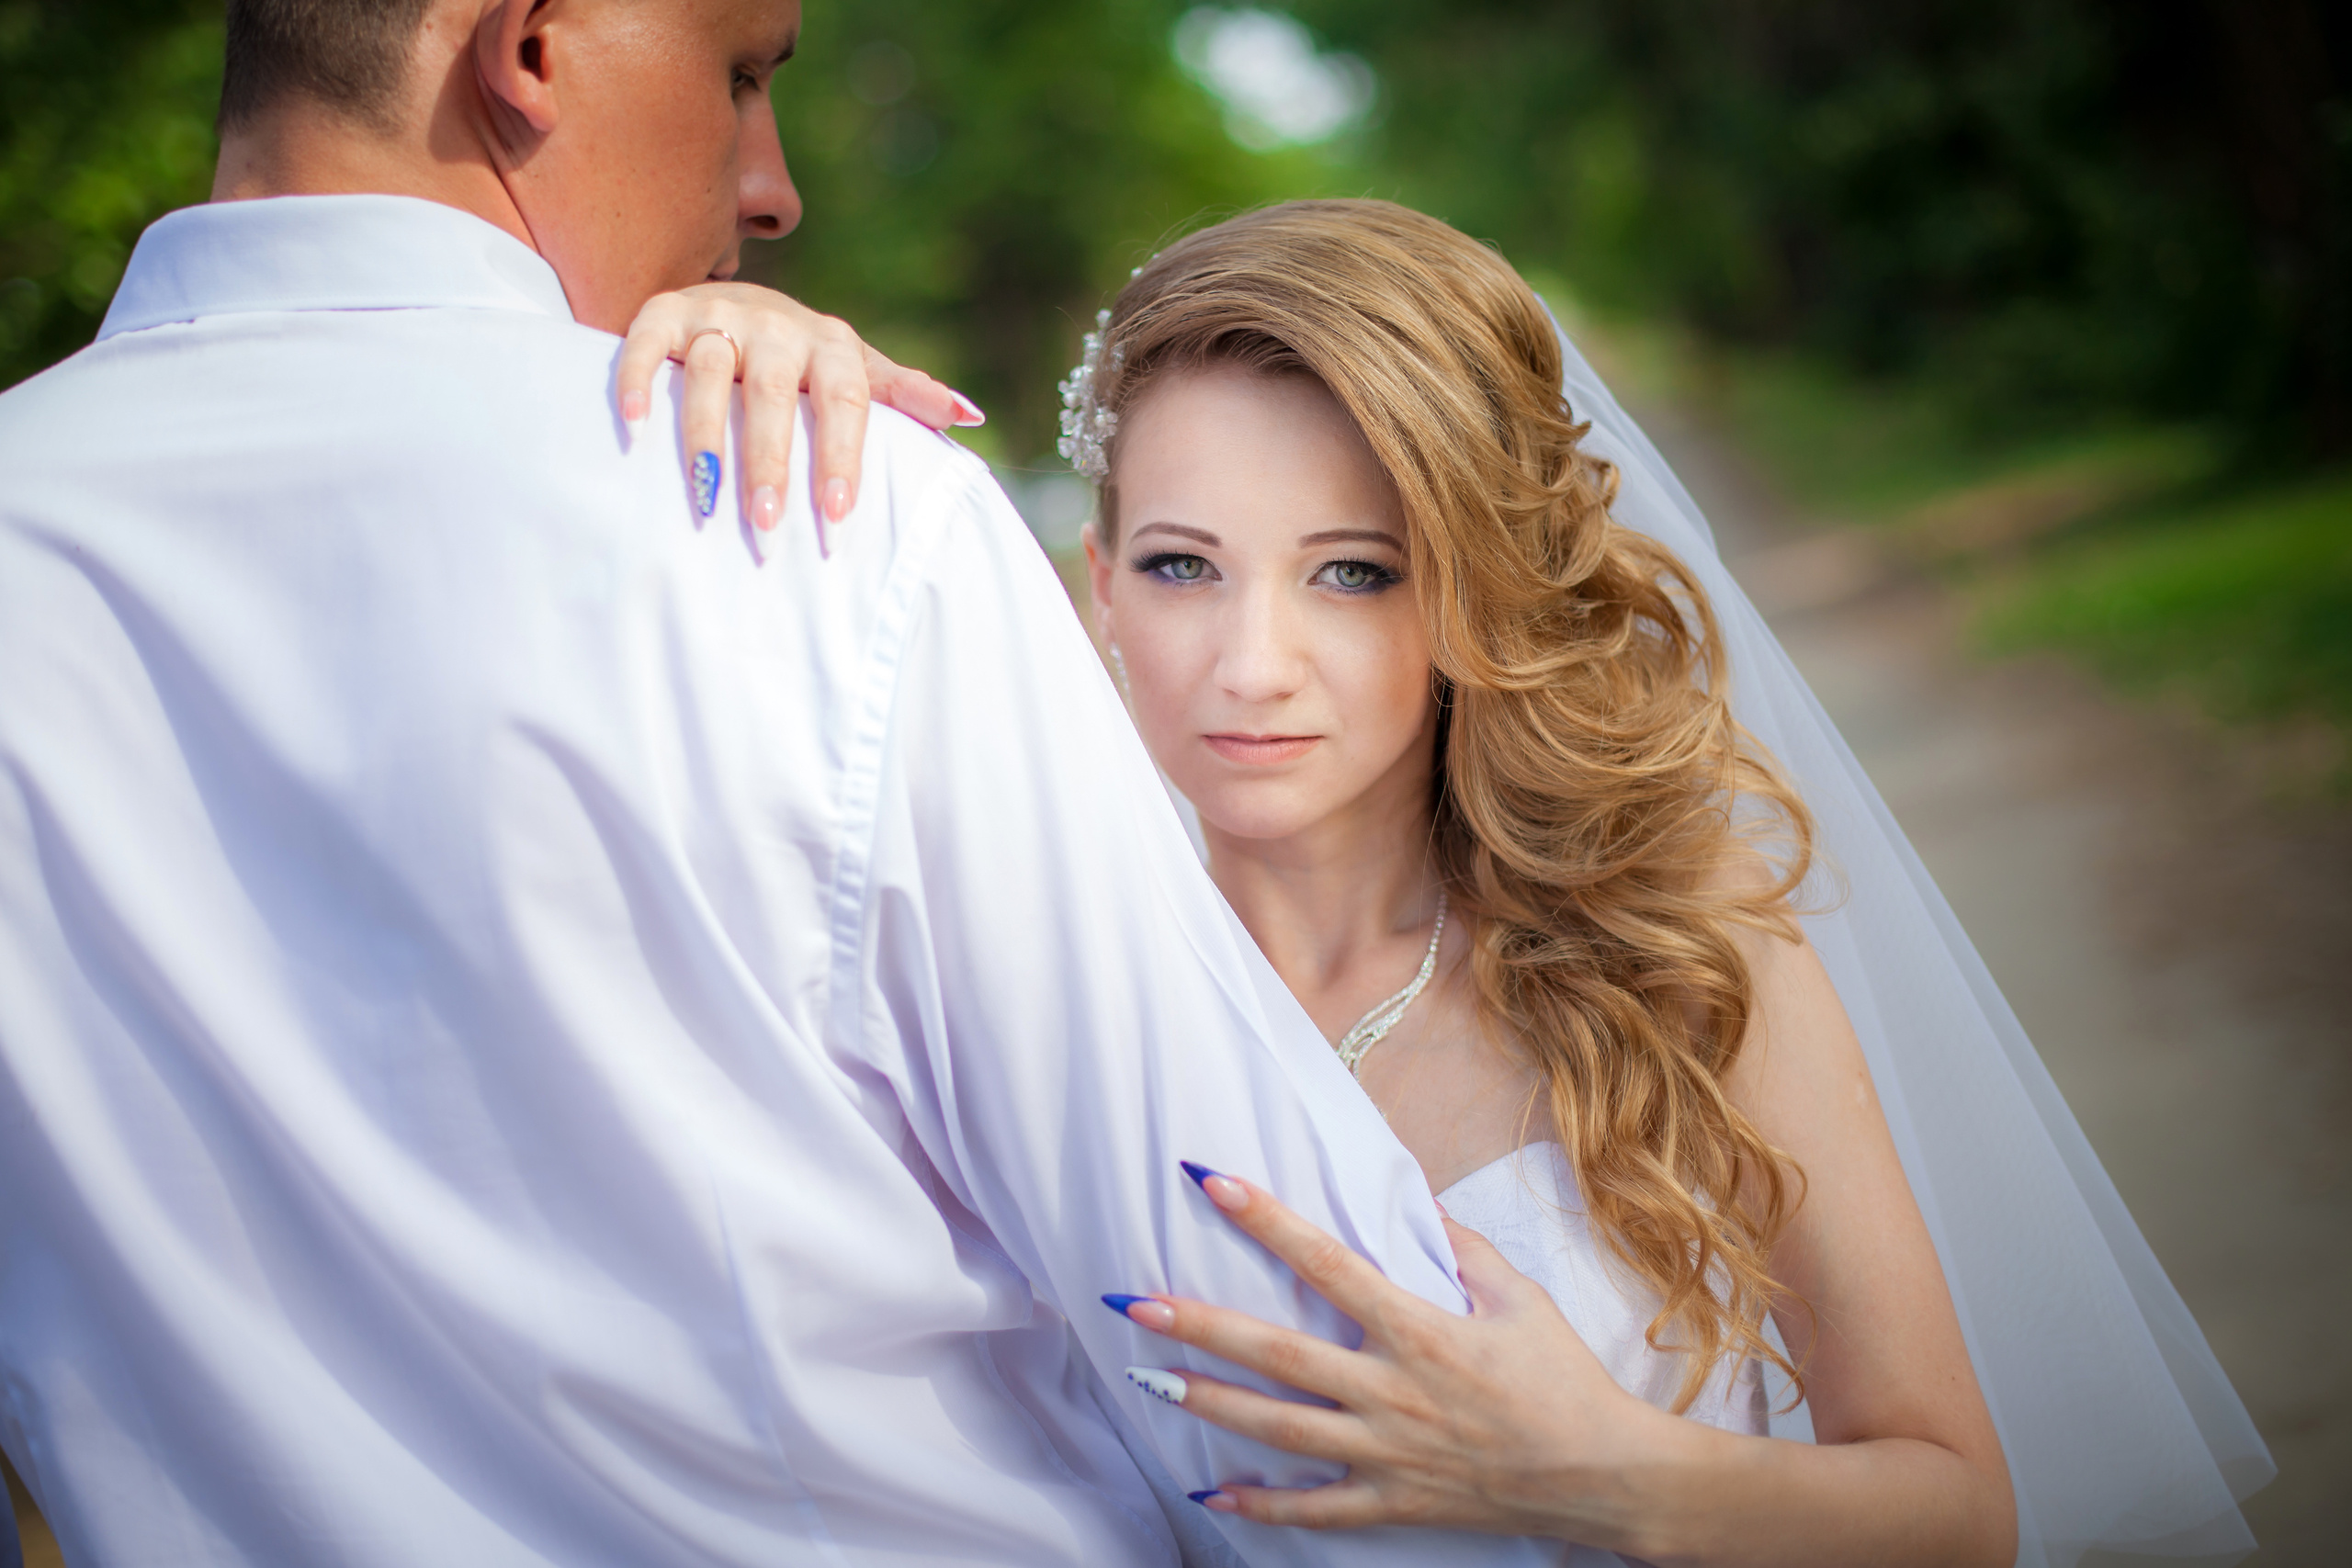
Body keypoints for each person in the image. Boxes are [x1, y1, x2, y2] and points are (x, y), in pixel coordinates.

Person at [0, 6, 1561, 1566]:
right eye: (742, 76)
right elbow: (1302, 1396)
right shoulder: (821, 517)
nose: (775, 188)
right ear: (530, 45)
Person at [644, 199, 2273, 1564]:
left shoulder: (1669, 956)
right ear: (1101, 586)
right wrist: (758, 348)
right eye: (1183, 566)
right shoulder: (1018, 975)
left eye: (1353, 573)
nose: (1251, 664)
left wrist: (1612, 1475)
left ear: (1468, 594)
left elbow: (1956, 1510)